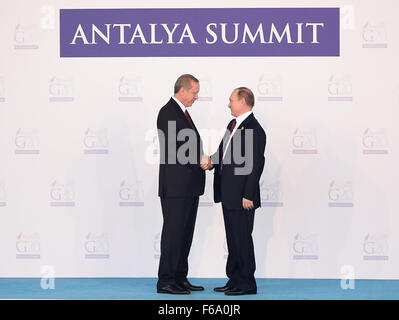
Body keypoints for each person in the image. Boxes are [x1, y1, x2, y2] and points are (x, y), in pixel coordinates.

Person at [201, 87, 266, 295]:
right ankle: (234, 280)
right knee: (233, 239)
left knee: (242, 239)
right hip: (229, 194)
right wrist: (211, 162)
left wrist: (248, 194)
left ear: (243, 101)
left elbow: (256, 165)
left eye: (231, 100)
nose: (228, 104)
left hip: (242, 197)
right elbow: (223, 152)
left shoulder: (254, 129)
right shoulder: (233, 124)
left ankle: (246, 284)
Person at [156, 74, 207, 294]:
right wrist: (200, 159)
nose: (196, 97)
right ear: (183, 90)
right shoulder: (168, 112)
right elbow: (174, 149)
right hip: (176, 187)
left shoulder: (183, 113)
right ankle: (166, 280)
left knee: (184, 234)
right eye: (194, 92)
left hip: (188, 186)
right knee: (173, 234)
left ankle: (180, 277)